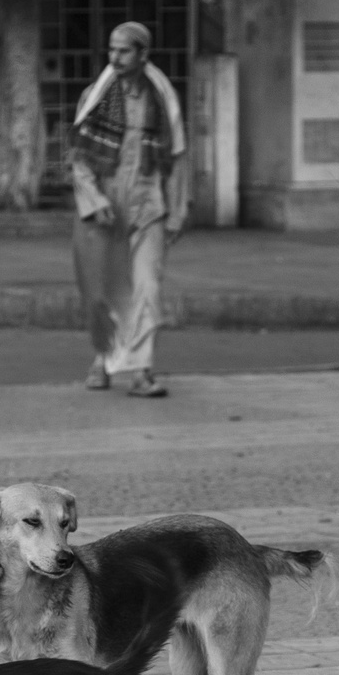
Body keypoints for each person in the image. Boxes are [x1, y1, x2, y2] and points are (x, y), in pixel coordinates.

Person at [70, 21, 188, 398]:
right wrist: (95, 200)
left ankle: (141, 371)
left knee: (148, 288)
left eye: (124, 51)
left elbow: (177, 158)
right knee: (106, 289)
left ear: (142, 55)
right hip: (105, 209)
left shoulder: (161, 99)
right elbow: (79, 158)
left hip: (148, 206)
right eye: (112, 50)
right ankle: (103, 359)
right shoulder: (95, 96)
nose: (115, 57)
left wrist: (177, 212)